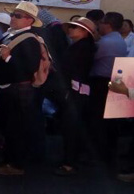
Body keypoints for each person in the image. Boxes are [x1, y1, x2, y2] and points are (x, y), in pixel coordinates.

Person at [0, 1, 45, 176]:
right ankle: (9, 159)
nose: (13, 18)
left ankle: (16, 164)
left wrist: (7, 58)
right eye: (13, 14)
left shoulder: (29, 39)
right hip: (10, 88)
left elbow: (28, 67)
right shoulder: (13, 35)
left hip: (18, 90)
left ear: (30, 20)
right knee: (9, 126)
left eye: (18, 16)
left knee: (17, 128)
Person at [55, 17, 97, 176]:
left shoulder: (83, 48)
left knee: (71, 127)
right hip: (75, 91)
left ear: (84, 32)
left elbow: (75, 72)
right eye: (71, 26)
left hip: (75, 92)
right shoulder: (80, 46)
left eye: (75, 27)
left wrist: (68, 90)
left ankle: (69, 163)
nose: (71, 29)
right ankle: (71, 159)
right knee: (71, 126)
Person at [87, 11, 128, 160]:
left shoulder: (105, 43)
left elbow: (91, 58)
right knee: (109, 121)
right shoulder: (119, 40)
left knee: (98, 119)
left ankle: (98, 153)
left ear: (108, 25)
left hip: (101, 82)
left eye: (102, 22)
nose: (99, 25)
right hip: (113, 80)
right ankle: (108, 151)